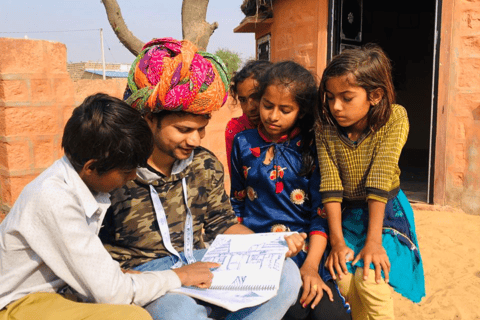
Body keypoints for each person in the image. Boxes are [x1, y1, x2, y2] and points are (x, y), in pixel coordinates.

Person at [99, 37, 304, 320]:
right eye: (184, 130)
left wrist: (271, 246)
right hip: (148, 273)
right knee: (179, 312)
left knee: (287, 274)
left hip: (203, 260)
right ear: (148, 119)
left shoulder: (205, 164)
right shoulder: (117, 172)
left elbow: (223, 224)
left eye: (202, 129)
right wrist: (134, 279)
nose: (195, 140)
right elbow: (93, 254)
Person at [0, 93, 208, 320]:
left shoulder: (80, 184)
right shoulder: (54, 199)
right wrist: (178, 276)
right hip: (20, 302)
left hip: (61, 292)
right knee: (131, 317)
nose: (133, 177)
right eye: (127, 170)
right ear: (92, 167)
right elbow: (114, 294)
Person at [230, 61, 351, 320]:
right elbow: (237, 203)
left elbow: (320, 214)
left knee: (330, 315)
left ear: (301, 111)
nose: (273, 116)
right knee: (292, 312)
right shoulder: (242, 143)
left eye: (285, 110)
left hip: (308, 251)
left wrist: (310, 268)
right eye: (267, 105)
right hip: (258, 251)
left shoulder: (312, 147)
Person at [315, 44, 426, 319]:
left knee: (371, 280)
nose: (336, 107)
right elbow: (330, 184)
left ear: (375, 96)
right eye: (330, 97)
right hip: (346, 213)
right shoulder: (325, 128)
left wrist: (374, 241)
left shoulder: (394, 117)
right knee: (342, 278)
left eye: (346, 98)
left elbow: (381, 177)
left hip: (385, 210)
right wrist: (338, 241)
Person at [225, 59, 272, 175]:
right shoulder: (236, 130)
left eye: (256, 97)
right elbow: (236, 179)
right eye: (243, 100)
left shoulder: (292, 124)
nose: (249, 108)